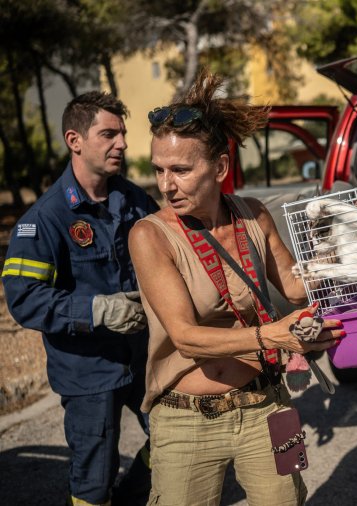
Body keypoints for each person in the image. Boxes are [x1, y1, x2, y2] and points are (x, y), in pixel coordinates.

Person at [128, 69, 342, 506]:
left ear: (221, 167)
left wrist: (335, 259)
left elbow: (297, 289)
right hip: (187, 423)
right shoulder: (149, 236)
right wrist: (273, 335)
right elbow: (186, 337)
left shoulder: (254, 213)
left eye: (181, 170)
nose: (166, 185)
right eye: (159, 170)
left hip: (266, 406)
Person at [1, 92, 158, 505]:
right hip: (88, 372)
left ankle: (133, 496)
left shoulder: (136, 201)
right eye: (109, 134)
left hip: (144, 358)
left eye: (122, 133)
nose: (122, 143)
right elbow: (25, 299)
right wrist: (97, 310)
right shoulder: (45, 220)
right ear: (75, 140)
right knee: (93, 480)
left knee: (176, 439)